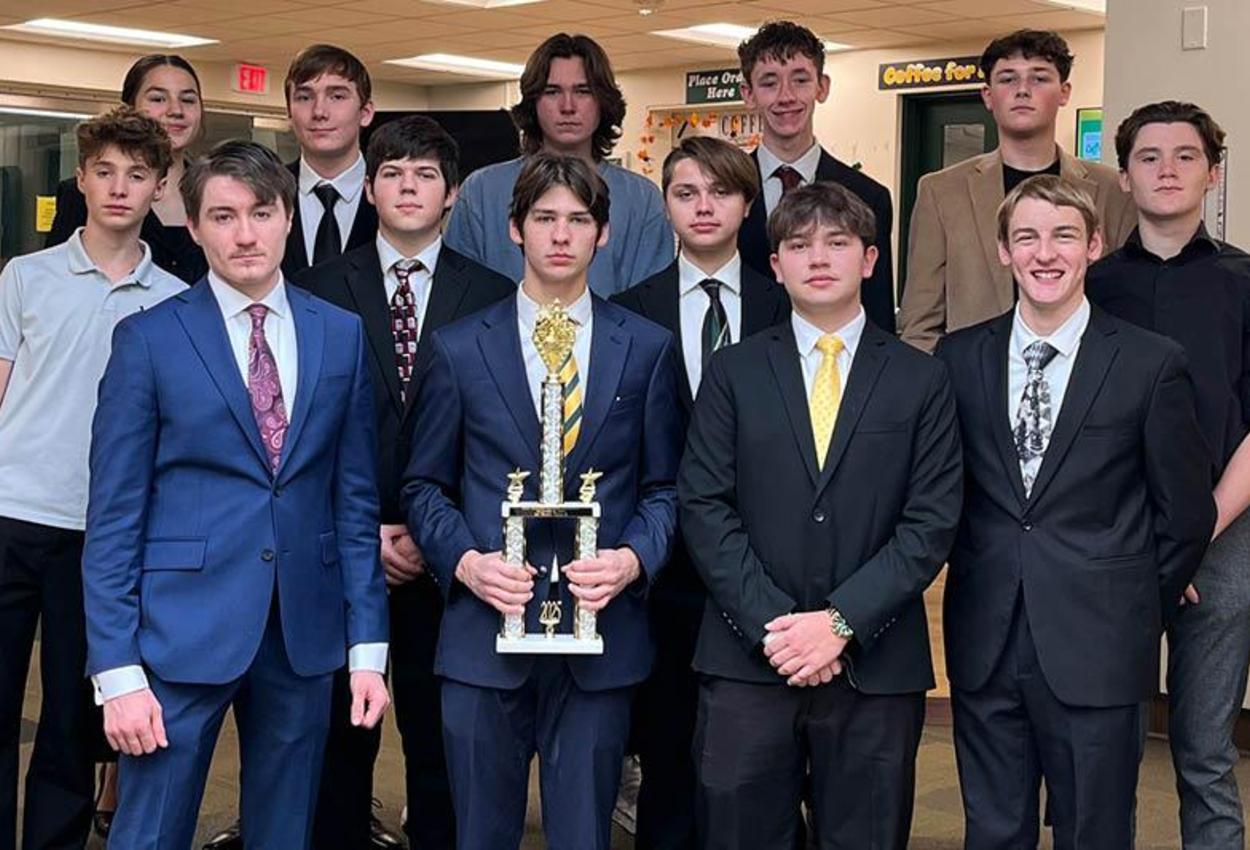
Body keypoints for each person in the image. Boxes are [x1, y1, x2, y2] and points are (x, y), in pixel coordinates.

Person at [82, 140, 391, 849]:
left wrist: (368, 645)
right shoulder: (148, 341)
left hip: (303, 634)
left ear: (288, 217)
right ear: (192, 227)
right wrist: (116, 668)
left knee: (285, 831)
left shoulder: (339, 335)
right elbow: (114, 518)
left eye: (260, 212)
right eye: (222, 216)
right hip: (177, 632)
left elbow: (354, 503)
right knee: (150, 830)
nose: (244, 234)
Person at [404, 152, 681, 850]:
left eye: (579, 220)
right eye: (545, 218)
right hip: (482, 640)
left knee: (584, 835)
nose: (561, 235)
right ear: (514, 229)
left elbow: (667, 488)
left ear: (604, 234)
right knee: (481, 835)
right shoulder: (460, 347)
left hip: (601, 638)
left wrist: (632, 561)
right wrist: (465, 563)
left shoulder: (646, 348)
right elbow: (424, 485)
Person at [678, 181, 962, 849]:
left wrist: (839, 623)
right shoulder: (733, 371)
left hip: (874, 662)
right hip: (750, 657)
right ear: (775, 265)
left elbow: (931, 522)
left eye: (838, 242)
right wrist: (777, 629)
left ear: (869, 260)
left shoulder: (922, 379)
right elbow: (704, 506)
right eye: (799, 245)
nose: (819, 258)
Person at [937, 174, 1215, 849]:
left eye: (1063, 235)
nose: (1044, 252)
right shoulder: (958, 358)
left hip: (1101, 643)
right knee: (992, 829)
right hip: (985, 637)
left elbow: (1183, 513)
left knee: (1095, 829)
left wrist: (1129, 601)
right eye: (1026, 236)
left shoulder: (1150, 364)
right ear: (1003, 251)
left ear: (1093, 245)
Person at [296, 115, 515, 850]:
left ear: (452, 192)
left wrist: (430, 533)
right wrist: (369, 529)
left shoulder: (493, 294)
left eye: (425, 174)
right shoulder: (318, 289)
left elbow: (495, 429)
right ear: (371, 187)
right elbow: (307, 426)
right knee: (339, 745)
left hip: (451, 555)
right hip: (343, 551)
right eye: (392, 173)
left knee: (441, 743)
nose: (408, 186)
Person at [0, 105, 184, 850]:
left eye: (137, 175)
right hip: (12, 512)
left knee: (73, 725)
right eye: (104, 172)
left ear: (159, 186)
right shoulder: (25, 276)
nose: (119, 188)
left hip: (102, 536)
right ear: (80, 179)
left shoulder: (175, 301)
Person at [611, 135, 788, 850]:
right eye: (686, 193)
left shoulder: (788, 304)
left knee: (764, 754)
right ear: (666, 206)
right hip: (665, 571)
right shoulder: (627, 309)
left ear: (748, 203)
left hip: (767, 562)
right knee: (668, 746)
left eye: (720, 191)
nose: (704, 206)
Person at [1087, 101, 1250, 850]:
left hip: (1222, 534)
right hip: (1112, 538)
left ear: (1213, 173)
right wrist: (1151, 540)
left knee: (1204, 748)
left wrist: (1193, 534)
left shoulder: (1243, 281)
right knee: (1104, 747)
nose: (1167, 170)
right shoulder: (1091, 286)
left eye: (1186, 156)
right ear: (1123, 176)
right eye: (1148, 157)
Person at [898, 29, 1137, 353]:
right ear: (987, 95)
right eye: (1008, 79)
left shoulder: (1112, 190)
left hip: (1087, 384)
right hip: (970, 389)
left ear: (1064, 92)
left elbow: (1125, 303)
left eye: (1039, 79)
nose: (1022, 90)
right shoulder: (941, 192)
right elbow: (919, 323)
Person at [443, 32, 673, 297]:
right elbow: (459, 296)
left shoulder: (642, 199)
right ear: (533, 102)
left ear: (602, 101)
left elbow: (651, 304)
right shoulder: (482, 191)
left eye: (583, 91)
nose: (568, 106)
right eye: (552, 92)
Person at [735, 20, 896, 332]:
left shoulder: (868, 196)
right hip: (745, 367)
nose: (786, 96)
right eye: (769, 83)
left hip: (836, 365)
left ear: (822, 87)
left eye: (800, 80)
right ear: (749, 94)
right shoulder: (726, 192)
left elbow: (877, 309)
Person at [47, 53, 208, 284]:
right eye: (158, 99)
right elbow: (57, 276)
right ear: (130, 107)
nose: (176, 110)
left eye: (188, 100)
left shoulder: (215, 193)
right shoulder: (83, 194)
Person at [281, 43, 378, 278]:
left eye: (337, 96)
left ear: (365, 113)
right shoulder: (266, 191)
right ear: (289, 112)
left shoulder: (393, 195)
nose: (319, 112)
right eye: (304, 97)